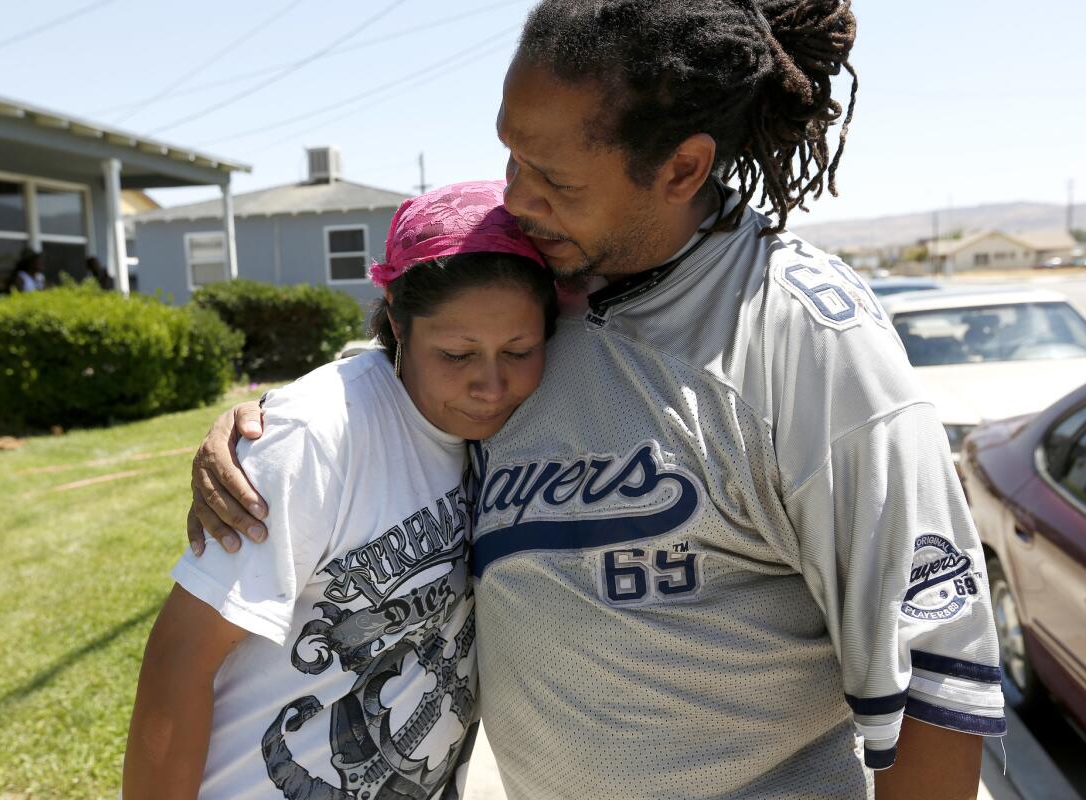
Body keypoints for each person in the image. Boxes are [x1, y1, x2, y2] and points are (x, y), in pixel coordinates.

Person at [186, 2, 1005, 798]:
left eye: (552, 178)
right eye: (511, 158)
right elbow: (414, 367)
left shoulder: (803, 342)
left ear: (682, 167)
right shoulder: (541, 299)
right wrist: (275, 426)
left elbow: (936, 679)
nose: (515, 200)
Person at [123, 181, 558, 800]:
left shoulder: (507, 429)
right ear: (397, 325)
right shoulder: (314, 437)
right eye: (457, 354)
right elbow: (178, 661)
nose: (492, 385)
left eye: (519, 349)